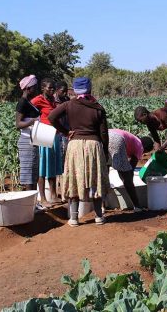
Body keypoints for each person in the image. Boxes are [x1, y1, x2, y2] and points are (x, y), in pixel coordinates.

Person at [48, 77, 110, 226]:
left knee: (74, 179)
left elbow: (51, 117)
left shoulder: (68, 105)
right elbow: (104, 133)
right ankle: (98, 216)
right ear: (89, 89)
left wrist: (65, 131)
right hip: (93, 145)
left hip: (75, 145)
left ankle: (74, 218)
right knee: (95, 179)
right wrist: (105, 150)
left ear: (75, 90)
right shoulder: (97, 107)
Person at [31, 78, 63, 205]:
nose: (51, 90)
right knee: (43, 167)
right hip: (43, 135)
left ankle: (54, 196)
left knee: (53, 166)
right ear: (42, 88)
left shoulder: (54, 101)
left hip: (54, 135)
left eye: (53, 88)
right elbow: (27, 112)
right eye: (49, 88)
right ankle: (43, 198)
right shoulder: (38, 100)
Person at [108, 129, 153, 211]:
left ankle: (102, 206)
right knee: (127, 177)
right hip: (117, 139)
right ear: (145, 149)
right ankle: (137, 206)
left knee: (104, 171)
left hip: (105, 135)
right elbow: (131, 169)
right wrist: (129, 182)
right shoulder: (140, 146)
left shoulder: (134, 140)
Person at [15, 75, 40, 192]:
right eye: (34, 87)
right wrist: (32, 121)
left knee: (34, 173)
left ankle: (34, 203)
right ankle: (31, 205)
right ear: (28, 88)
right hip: (26, 141)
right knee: (29, 174)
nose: (36, 89)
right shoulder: (22, 103)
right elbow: (18, 124)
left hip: (33, 140)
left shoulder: (28, 102)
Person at [54, 81, 70, 163]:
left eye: (66, 91)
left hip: (66, 130)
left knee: (66, 152)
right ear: (57, 90)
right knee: (57, 153)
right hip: (55, 131)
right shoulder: (53, 101)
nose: (65, 93)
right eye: (63, 91)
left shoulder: (67, 100)